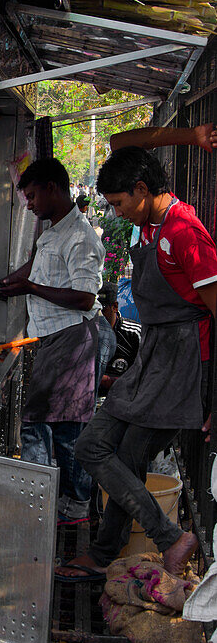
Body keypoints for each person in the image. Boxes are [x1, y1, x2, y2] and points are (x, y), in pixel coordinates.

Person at [58, 135, 217, 582]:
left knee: (126, 453)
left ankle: (120, 549)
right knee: (95, 447)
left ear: (142, 190)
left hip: (183, 362)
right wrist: (190, 136)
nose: (115, 211)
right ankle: (162, 539)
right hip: (153, 356)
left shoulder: (185, 233)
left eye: (118, 202)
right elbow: (121, 140)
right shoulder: (150, 224)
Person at [0, 157, 105, 523]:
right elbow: (33, 268)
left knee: (51, 425)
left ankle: (63, 503)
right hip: (52, 337)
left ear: (53, 188)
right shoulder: (52, 230)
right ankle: (56, 499)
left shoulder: (80, 236)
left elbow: (85, 298)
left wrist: (29, 288)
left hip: (73, 338)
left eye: (33, 196)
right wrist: (3, 286)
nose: (30, 204)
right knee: (56, 422)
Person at [98, 281, 141, 394]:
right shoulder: (86, 334)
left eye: (102, 310)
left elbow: (145, 377)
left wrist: (107, 380)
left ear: (115, 307)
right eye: (94, 310)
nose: (98, 316)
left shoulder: (134, 334)